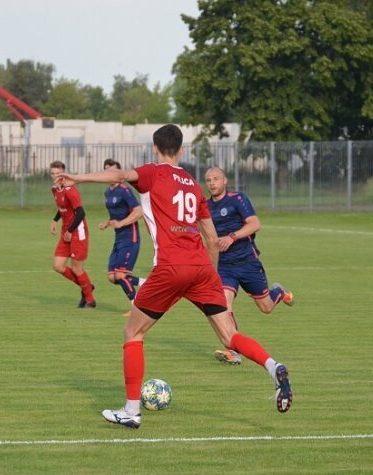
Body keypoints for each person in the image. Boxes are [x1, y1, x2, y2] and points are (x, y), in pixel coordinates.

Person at [54, 124, 292, 429]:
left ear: (155, 149)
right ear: (181, 150)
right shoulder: (193, 184)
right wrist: (209, 273)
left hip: (170, 267)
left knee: (133, 333)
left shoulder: (155, 173)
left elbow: (118, 176)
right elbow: (210, 235)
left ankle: (130, 411)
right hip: (203, 269)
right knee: (228, 337)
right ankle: (274, 367)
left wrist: (78, 177)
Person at [204, 167, 294, 365]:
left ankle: (278, 292)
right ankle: (233, 351)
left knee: (266, 307)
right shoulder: (206, 206)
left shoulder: (238, 199)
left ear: (225, 180)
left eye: (216, 178)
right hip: (224, 266)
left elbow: (255, 224)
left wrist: (232, 237)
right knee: (224, 307)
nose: (212, 183)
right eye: (208, 180)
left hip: (247, 262)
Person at [98, 158, 145, 314]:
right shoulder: (107, 192)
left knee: (120, 275)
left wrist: (122, 223)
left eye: (112, 171)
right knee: (112, 277)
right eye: (106, 171)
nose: (109, 174)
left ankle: (136, 308)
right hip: (119, 238)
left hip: (130, 237)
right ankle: (146, 283)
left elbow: (138, 211)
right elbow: (116, 215)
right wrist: (108, 222)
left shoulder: (125, 190)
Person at [49, 160, 96, 308]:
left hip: (77, 231)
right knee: (57, 266)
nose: (56, 176)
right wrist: (55, 220)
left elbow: (81, 212)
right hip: (66, 231)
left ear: (64, 173)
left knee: (76, 268)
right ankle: (87, 286)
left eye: (58, 173)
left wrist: (70, 231)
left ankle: (90, 299)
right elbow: (62, 207)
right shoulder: (55, 189)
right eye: (53, 173)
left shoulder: (71, 190)